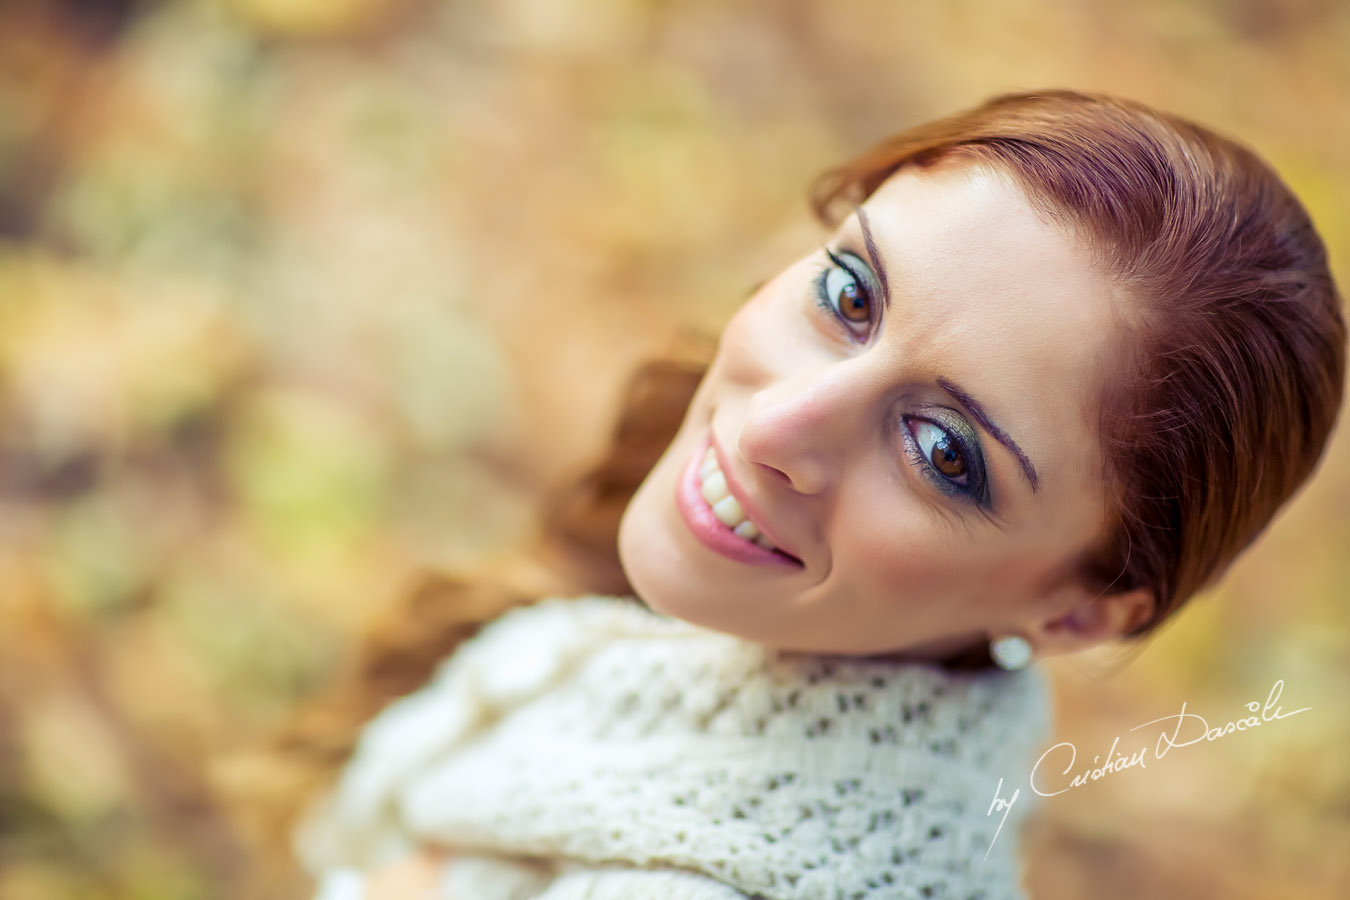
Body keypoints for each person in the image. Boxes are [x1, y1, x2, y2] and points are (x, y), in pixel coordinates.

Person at [248, 89, 1345, 899]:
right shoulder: (859, 725)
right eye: (849, 293)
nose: (777, 426)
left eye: (944, 452)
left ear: (1071, 611)